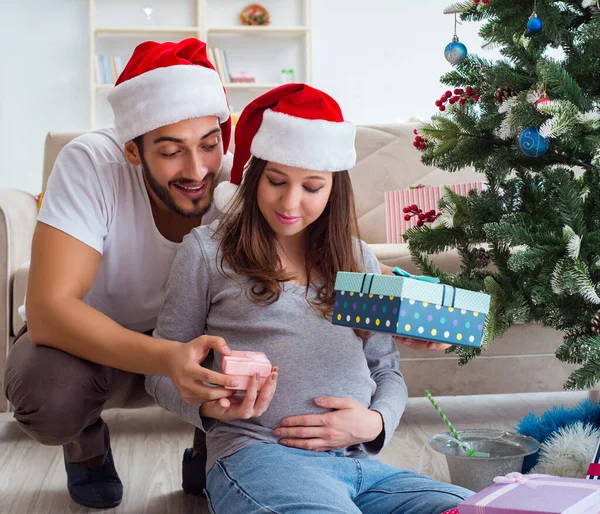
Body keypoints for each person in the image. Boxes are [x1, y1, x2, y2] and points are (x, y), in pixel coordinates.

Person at [146, 83, 474, 513]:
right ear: (253, 176)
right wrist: (211, 411)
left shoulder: (358, 261)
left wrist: (376, 422)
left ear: (333, 189)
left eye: (312, 187)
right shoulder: (208, 252)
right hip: (259, 456)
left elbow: (385, 368)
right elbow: (159, 371)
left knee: (482, 507)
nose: (290, 202)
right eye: (276, 181)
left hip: (364, 468)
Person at [2, 38, 241, 509]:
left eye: (209, 145)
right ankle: (86, 447)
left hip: (196, 343)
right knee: (46, 394)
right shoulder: (92, 162)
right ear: (133, 151)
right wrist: (167, 357)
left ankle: (213, 448)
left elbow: (332, 257)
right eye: (172, 151)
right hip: (89, 350)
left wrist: (415, 306)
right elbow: (50, 313)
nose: (197, 170)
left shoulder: (236, 178)